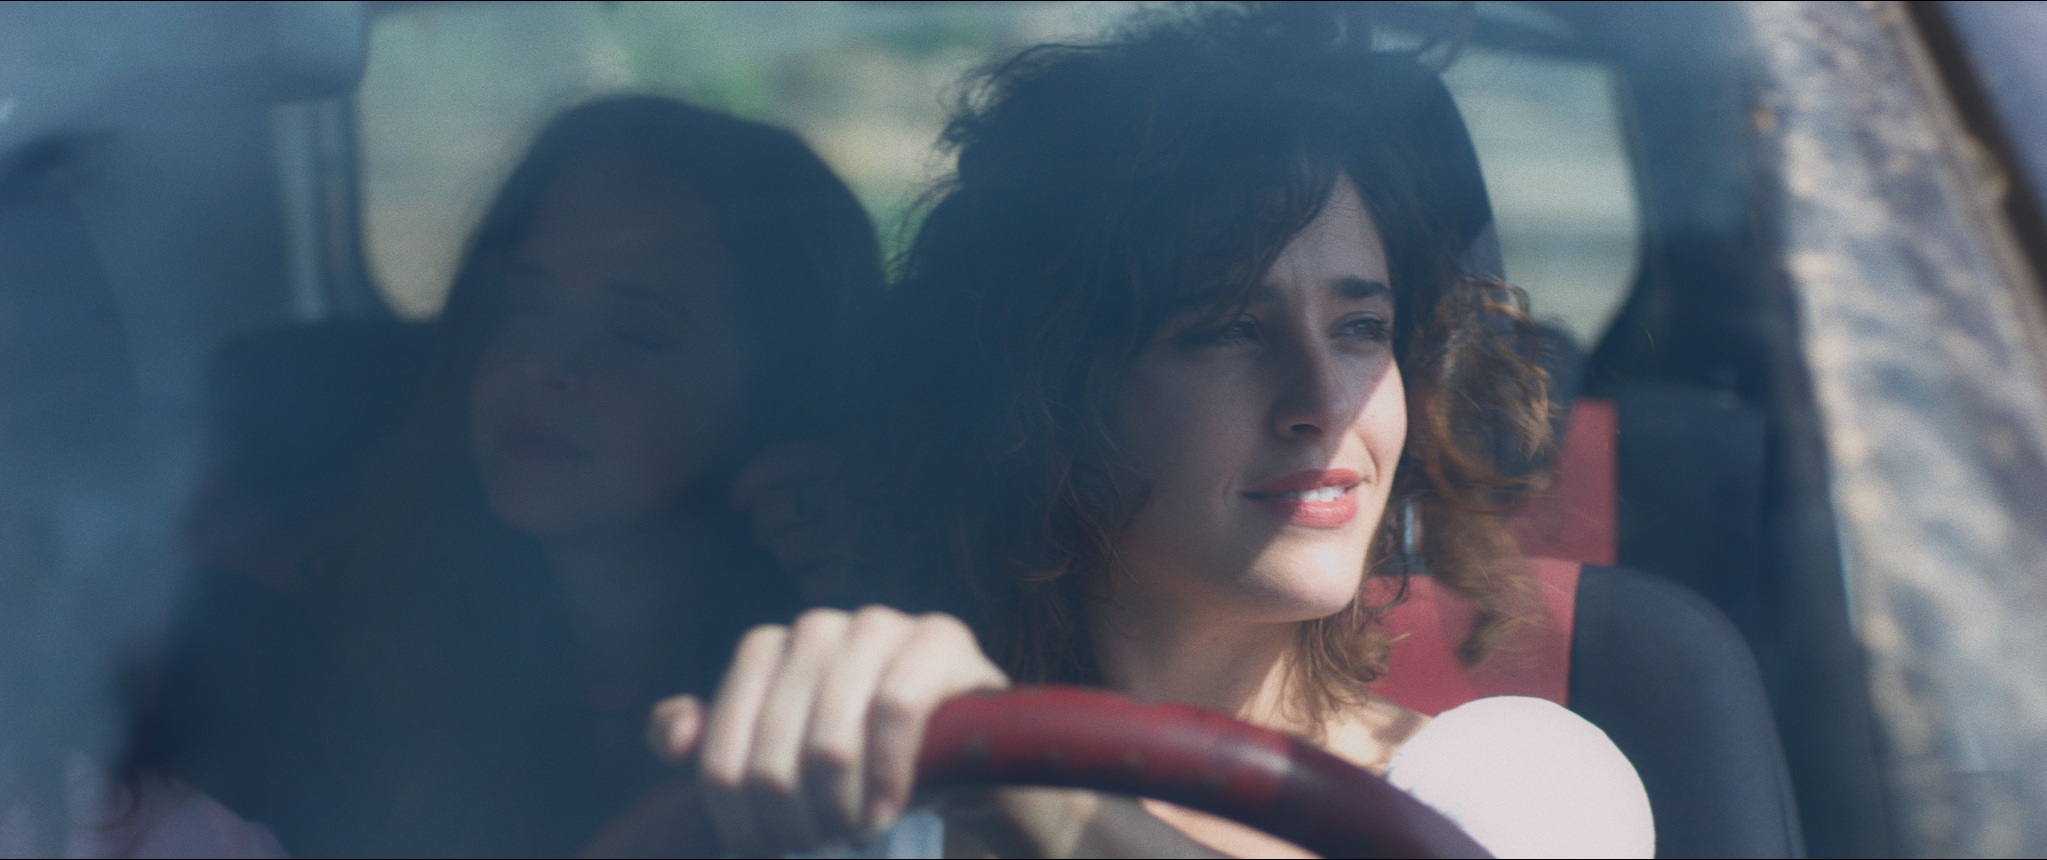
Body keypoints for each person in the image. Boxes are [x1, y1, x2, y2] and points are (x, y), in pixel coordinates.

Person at [645, 5, 1654, 858]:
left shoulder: (1513, 787)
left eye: (1360, 329)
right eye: (1229, 329)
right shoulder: (877, 808)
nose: (1320, 400)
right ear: (1047, 399)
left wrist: (1037, 797)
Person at [141, 95, 884, 856]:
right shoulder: (310, 642)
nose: (545, 364)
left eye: (635, 331)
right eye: (524, 307)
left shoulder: (837, 689)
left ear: (774, 399)